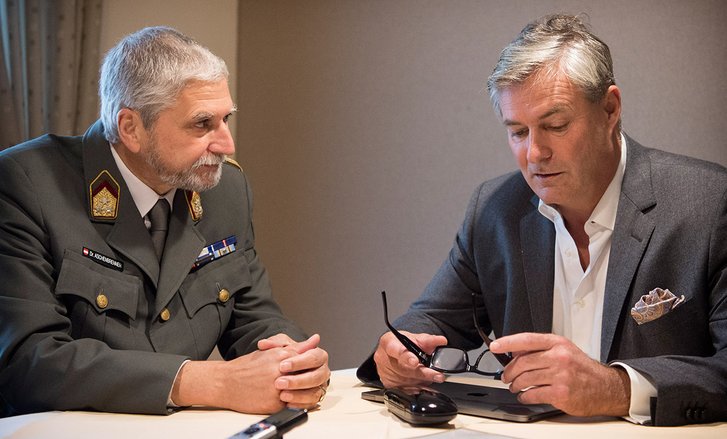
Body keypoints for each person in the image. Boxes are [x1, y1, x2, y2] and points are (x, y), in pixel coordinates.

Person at [357, 14, 726, 426]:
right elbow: (430, 322)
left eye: (555, 126)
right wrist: (397, 354)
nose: (534, 153)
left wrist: (616, 388)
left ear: (610, 110)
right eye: (517, 132)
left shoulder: (708, 205)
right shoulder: (496, 210)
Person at [0, 26, 330, 417]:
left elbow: (250, 314)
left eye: (226, 119)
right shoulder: (26, 184)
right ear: (131, 129)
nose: (227, 144)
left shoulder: (225, 189)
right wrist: (209, 382)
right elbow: (29, 361)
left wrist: (293, 364)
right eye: (202, 124)